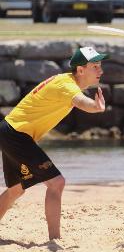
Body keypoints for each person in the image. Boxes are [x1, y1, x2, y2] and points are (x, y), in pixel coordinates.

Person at [0, 46, 108, 240]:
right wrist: (95, 107)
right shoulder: (66, 86)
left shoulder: (66, 80)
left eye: (100, 65)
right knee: (56, 183)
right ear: (81, 70)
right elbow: (81, 102)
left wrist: (94, 106)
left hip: (10, 131)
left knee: (16, 190)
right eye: (95, 66)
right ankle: (55, 239)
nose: (100, 71)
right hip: (16, 134)